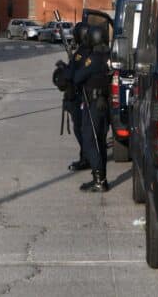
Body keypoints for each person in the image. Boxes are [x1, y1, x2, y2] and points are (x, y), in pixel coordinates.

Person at [73, 24, 112, 192]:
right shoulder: (109, 55)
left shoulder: (94, 58)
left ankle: (99, 180)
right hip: (105, 103)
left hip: (94, 104)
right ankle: (100, 177)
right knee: (100, 141)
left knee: (89, 139)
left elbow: (78, 77)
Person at [60, 22, 91, 173]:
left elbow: (74, 74)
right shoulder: (85, 51)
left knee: (80, 129)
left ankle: (86, 158)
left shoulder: (82, 52)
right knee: (81, 129)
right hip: (82, 95)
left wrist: (65, 69)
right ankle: (85, 156)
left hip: (80, 96)